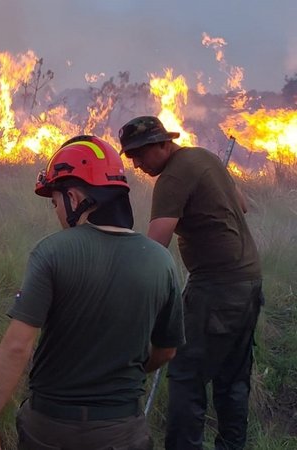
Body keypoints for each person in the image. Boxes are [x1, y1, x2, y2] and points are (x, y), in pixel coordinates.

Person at [0, 135, 185, 450]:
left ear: (74, 198)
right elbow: (167, 351)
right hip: (122, 431)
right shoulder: (161, 260)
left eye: (55, 200)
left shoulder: (51, 252)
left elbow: (18, 347)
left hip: (50, 430)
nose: (56, 210)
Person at [118, 116, 264, 450]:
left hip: (216, 288)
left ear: (163, 144)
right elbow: (243, 205)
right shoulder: (204, 157)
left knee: (186, 378)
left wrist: (123, 283)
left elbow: (155, 250)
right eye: (130, 157)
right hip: (249, 282)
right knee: (232, 380)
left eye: (141, 154)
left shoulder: (172, 177)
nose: (137, 163)